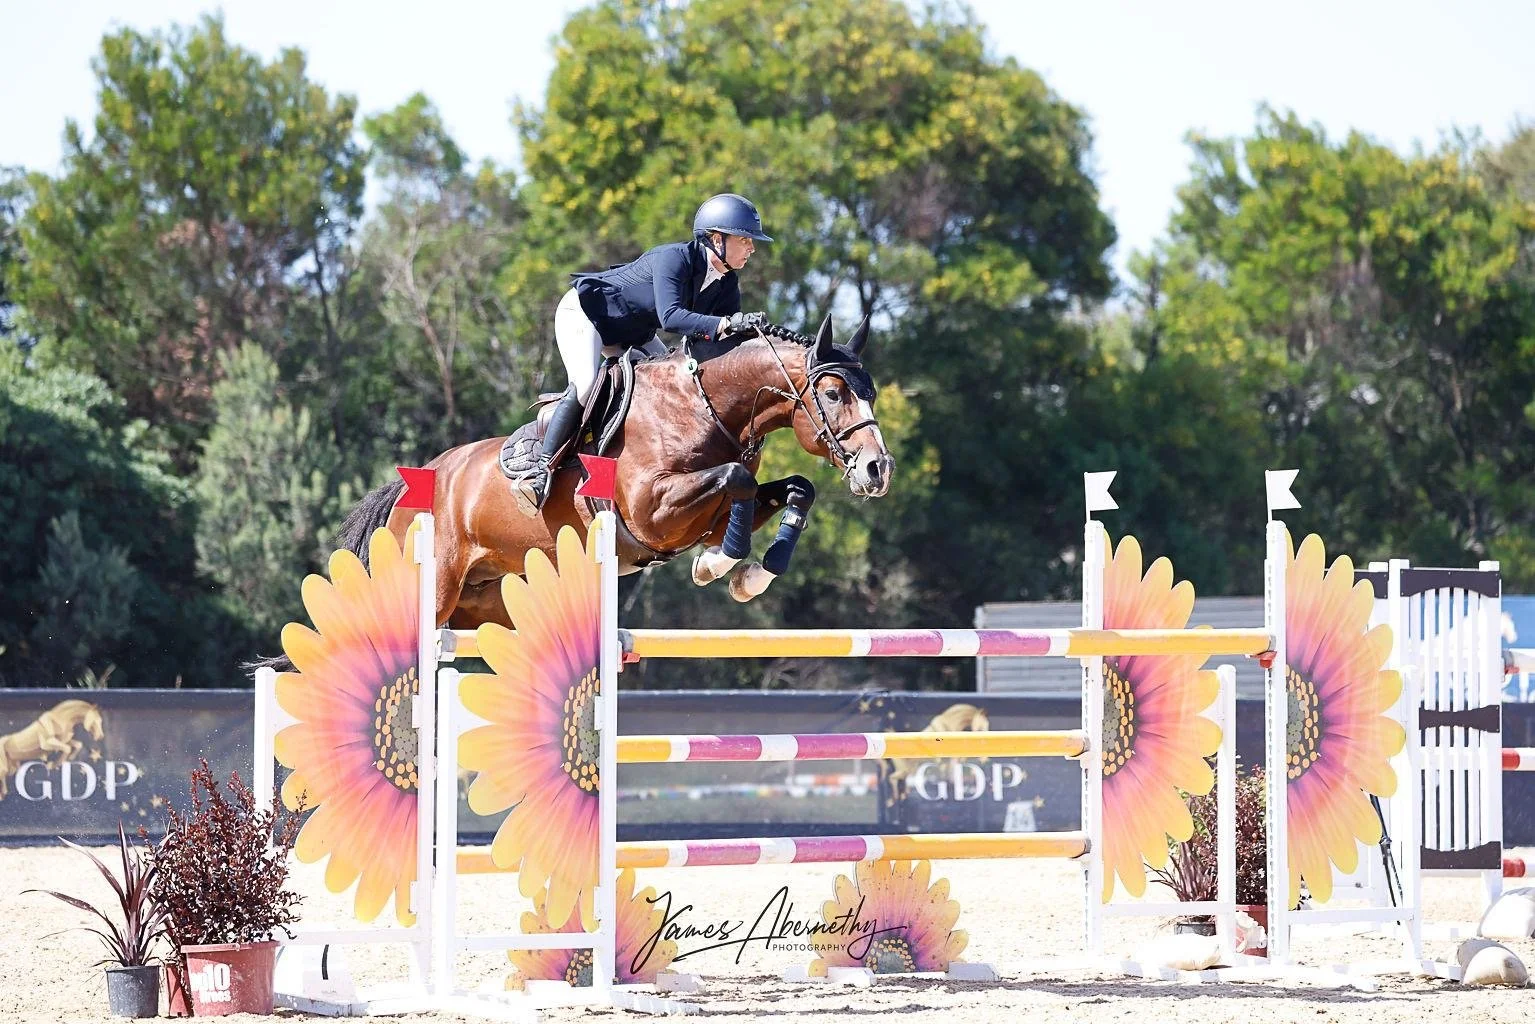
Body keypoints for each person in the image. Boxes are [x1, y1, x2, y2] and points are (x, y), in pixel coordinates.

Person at [512, 192, 774, 511]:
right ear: (717, 238)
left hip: (634, 333)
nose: (752, 247)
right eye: (745, 239)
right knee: (584, 384)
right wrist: (727, 323)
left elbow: (719, 344)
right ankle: (540, 473)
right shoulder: (674, 258)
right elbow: (672, 316)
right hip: (588, 314)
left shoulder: (727, 284)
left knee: (671, 389)